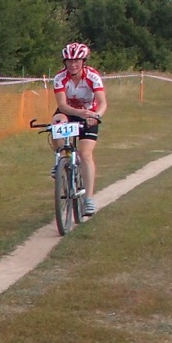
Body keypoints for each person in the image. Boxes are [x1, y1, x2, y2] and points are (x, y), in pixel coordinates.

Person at [50, 42, 107, 217]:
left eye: (77, 61)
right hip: (70, 111)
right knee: (56, 123)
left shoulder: (92, 76)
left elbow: (103, 102)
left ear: (83, 61)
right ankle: (62, 158)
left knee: (85, 153)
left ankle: (89, 199)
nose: (73, 64)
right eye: (69, 61)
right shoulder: (60, 78)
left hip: (90, 113)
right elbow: (62, 105)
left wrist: (95, 115)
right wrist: (80, 113)